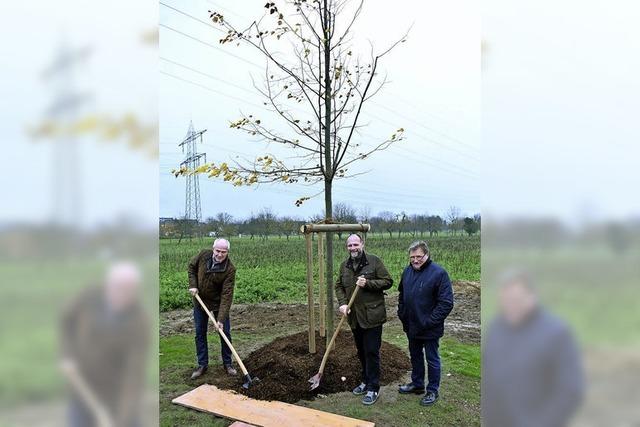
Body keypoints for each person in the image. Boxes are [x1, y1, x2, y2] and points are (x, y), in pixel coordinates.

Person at [482, 269, 584, 426]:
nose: (510, 305)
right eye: (506, 300)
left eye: (516, 300)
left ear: (532, 296)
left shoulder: (557, 333)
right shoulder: (496, 327)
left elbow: (570, 390)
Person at [60, 261, 149, 427]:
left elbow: (133, 373)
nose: (123, 294)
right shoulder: (87, 299)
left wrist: (121, 418)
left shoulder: (138, 322)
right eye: (118, 288)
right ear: (108, 285)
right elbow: (66, 320)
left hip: (116, 388)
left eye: (129, 290)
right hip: (83, 385)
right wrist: (67, 355)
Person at [335, 233, 393, 405]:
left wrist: (368, 283)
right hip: (354, 317)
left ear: (362, 244)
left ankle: (373, 387)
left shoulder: (374, 261)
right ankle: (365, 381)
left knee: (371, 352)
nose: (353, 248)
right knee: (361, 352)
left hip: (372, 316)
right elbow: (338, 286)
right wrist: (343, 304)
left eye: (355, 244)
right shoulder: (344, 266)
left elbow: (388, 281)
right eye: (349, 245)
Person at [397, 241, 454, 406]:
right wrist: (402, 313)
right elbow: (402, 295)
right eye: (412, 257)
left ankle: (432, 391)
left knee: (432, 359)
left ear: (427, 255)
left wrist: (429, 321)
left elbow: (446, 303)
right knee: (415, 356)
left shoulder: (439, 273)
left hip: (429, 327)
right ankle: (417, 384)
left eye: (419, 257)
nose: (415, 260)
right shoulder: (407, 271)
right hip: (411, 325)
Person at [188, 238, 237, 379]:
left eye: (224, 252)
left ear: (227, 252)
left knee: (225, 332)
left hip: (218, 303)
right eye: (218, 251)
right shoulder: (203, 255)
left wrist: (220, 319)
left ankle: (228, 364)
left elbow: (227, 296)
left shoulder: (229, 269)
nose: (220, 254)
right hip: (200, 300)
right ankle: (202, 365)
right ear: (213, 249)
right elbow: (191, 267)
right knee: (200, 333)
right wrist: (193, 285)